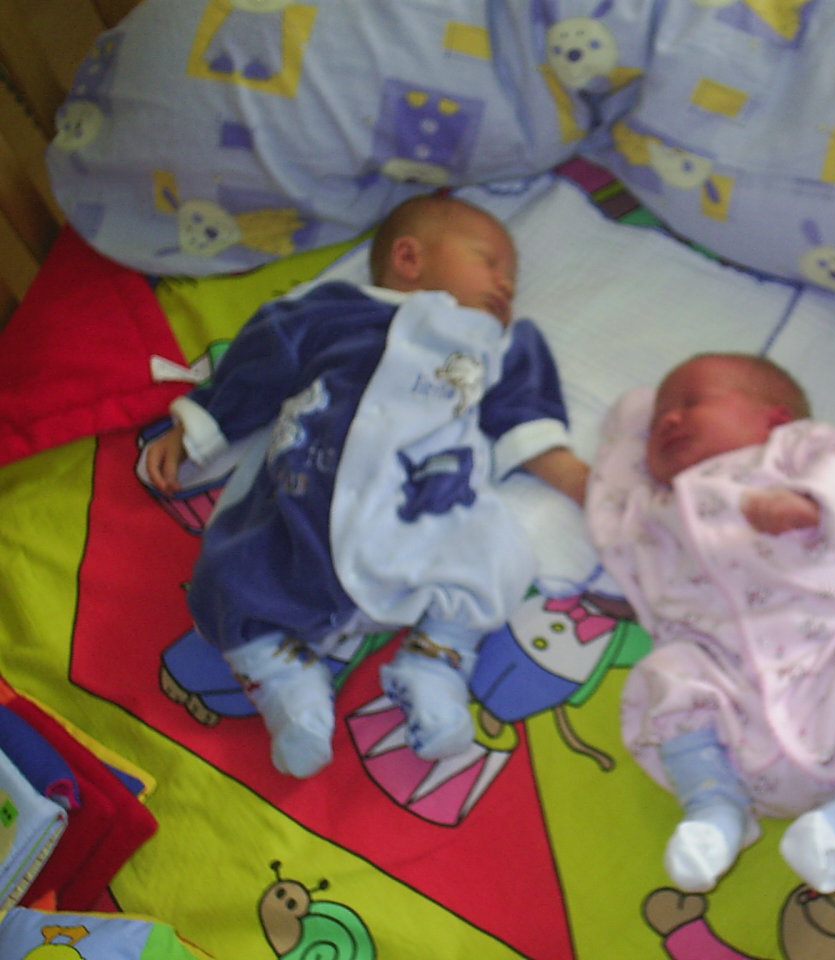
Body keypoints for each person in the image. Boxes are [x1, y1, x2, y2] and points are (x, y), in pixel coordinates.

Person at [145, 193, 589, 778]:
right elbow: (260, 361)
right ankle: (284, 679)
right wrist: (199, 426)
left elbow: (525, 413)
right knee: (230, 568)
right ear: (409, 258)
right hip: (311, 490)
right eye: (489, 261)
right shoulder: (333, 311)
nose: (506, 283)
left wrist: (576, 478)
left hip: (426, 509)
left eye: (511, 275)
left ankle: (436, 660)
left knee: (502, 550)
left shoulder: (497, 344)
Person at [584, 352, 835, 894]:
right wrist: (631, 427)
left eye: (692, 402)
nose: (668, 419)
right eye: (659, 419)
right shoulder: (651, 510)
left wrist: (812, 499)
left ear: (776, 419)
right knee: (666, 675)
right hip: (727, 685)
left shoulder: (789, 456)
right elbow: (603, 499)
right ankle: (716, 806)